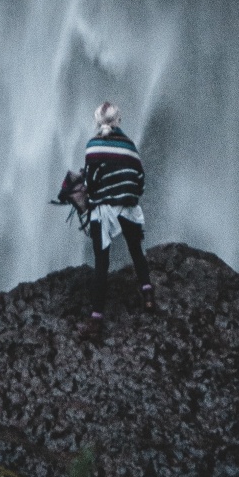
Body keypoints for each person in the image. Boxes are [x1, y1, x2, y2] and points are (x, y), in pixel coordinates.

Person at [81, 99, 152, 341]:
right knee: (136, 252)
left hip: (103, 211)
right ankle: (149, 295)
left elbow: (90, 183)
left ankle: (96, 318)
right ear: (118, 120)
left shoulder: (93, 146)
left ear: (97, 121)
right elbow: (140, 179)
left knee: (102, 263)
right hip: (129, 208)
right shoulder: (130, 146)